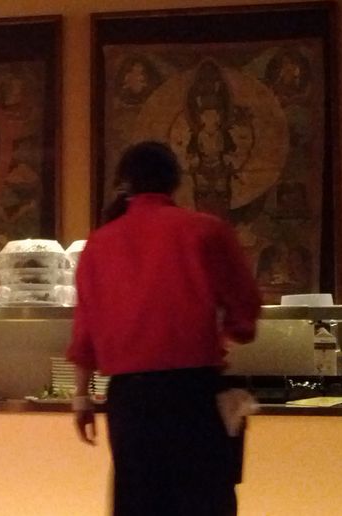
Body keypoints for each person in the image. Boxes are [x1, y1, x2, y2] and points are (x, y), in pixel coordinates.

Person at [66, 140, 261, 515]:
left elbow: (84, 332)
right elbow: (245, 306)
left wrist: (81, 397)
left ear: (125, 183)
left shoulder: (98, 244)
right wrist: (230, 332)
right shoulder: (206, 230)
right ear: (175, 181)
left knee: (139, 503)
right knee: (203, 502)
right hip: (193, 393)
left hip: (129, 399)